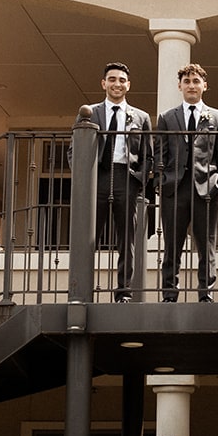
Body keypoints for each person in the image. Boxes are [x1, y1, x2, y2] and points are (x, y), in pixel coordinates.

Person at [155, 64, 218, 302]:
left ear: (204, 86)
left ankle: (205, 293)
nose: (192, 86)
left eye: (196, 81)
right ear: (180, 86)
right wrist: (161, 182)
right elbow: (160, 154)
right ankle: (169, 293)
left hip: (206, 187)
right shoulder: (167, 118)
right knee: (172, 244)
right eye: (187, 81)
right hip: (174, 188)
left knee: (206, 243)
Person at [84, 61, 153, 302]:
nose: (117, 84)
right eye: (112, 79)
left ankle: (124, 291)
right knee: (89, 236)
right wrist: (84, 177)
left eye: (122, 80)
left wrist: (139, 180)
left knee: (127, 238)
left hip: (127, 177)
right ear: (104, 83)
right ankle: (83, 290)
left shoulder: (141, 117)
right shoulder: (89, 112)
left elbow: (148, 155)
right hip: (98, 176)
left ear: (128, 85)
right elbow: (76, 149)